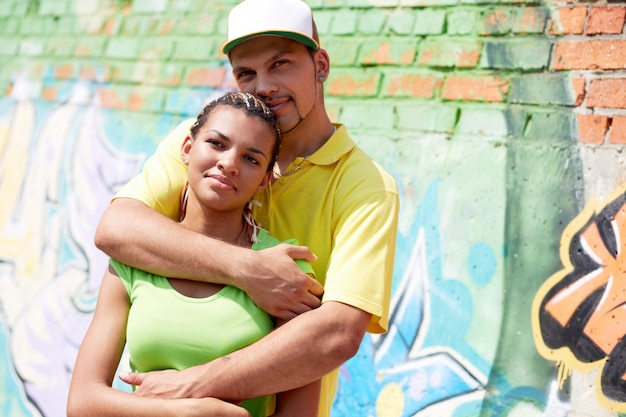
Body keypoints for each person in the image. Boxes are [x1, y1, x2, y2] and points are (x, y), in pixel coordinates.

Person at [94, 0, 400, 415]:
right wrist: (251, 270)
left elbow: (338, 332)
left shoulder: (366, 187)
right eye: (246, 73)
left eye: (281, 64)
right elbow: (117, 229)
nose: (264, 86)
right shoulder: (204, 144)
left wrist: (193, 390)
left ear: (321, 66)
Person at [67, 92, 320, 417]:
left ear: (263, 181)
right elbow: (82, 402)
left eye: (251, 159)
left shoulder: (283, 269)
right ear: (187, 149)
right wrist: (193, 412)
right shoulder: (134, 256)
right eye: (217, 143)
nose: (228, 163)